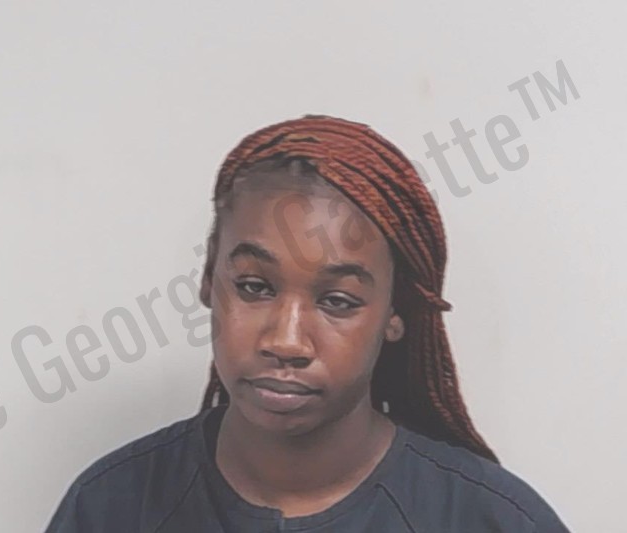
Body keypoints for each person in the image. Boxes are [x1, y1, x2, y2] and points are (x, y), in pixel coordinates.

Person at [45, 115, 570, 532]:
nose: (286, 340)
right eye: (254, 287)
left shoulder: (488, 519)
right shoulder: (111, 507)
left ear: (396, 313)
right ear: (209, 280)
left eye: (338, 301)